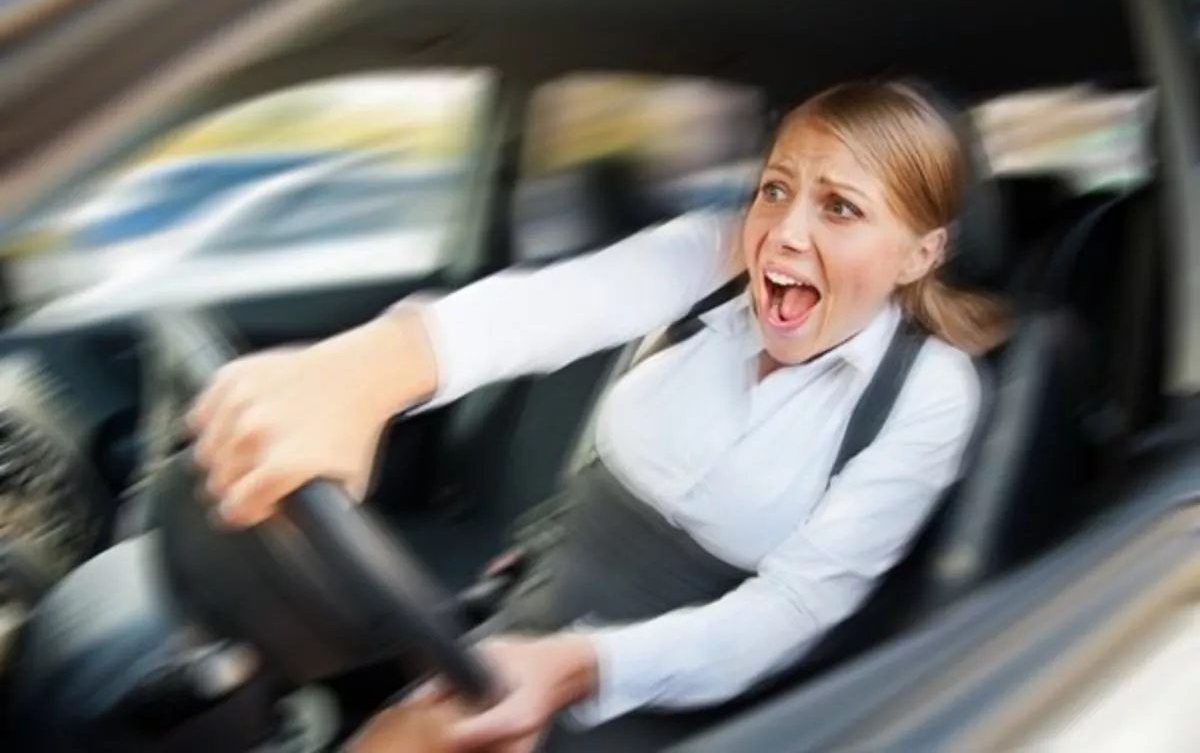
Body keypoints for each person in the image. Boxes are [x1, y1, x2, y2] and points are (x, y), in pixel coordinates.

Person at [187, 80, 1008, 751]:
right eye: (776, 188)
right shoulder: (723, 254)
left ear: (920, 252)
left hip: (687, 689)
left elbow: (791, 611)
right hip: (534, 608)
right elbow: (567, 302)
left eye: (839, 208)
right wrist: (370, 369)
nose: (783, 234)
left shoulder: (931, 392)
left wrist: (577, 667)